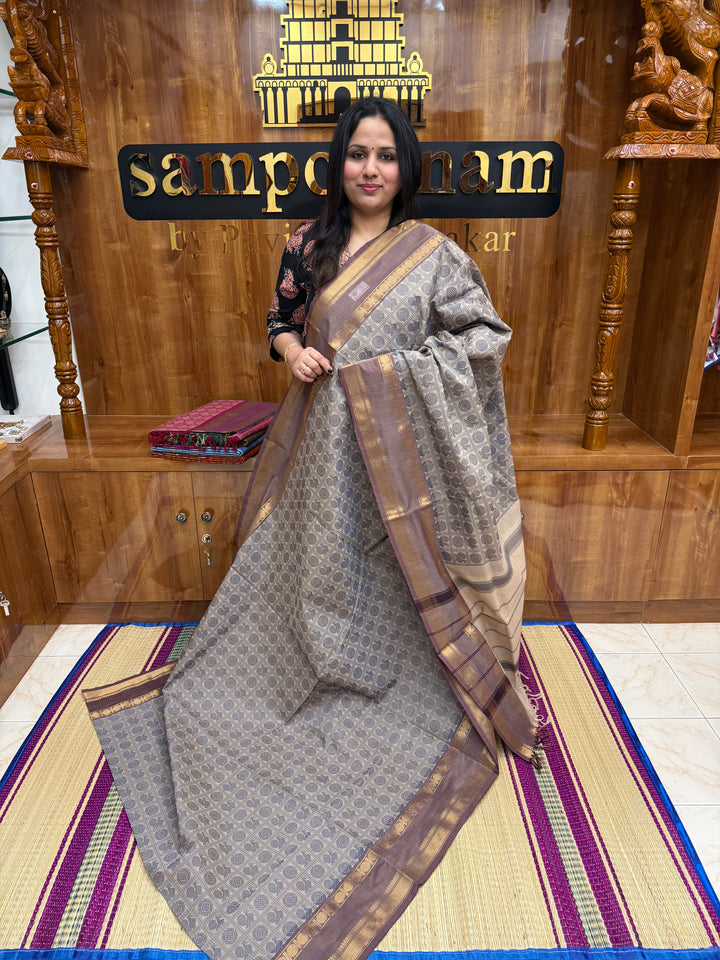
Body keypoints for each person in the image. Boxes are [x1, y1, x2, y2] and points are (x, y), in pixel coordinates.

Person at [85, 97, 538, 960]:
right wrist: (292, 355)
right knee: (307, 583)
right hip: (318, 457)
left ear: (406, 168)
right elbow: (279, 326)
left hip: (400, 471)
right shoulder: (306, 242)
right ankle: (304, 664)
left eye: (386, 156)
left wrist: (389, 375)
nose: (370, 169)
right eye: (357, 154)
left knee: (386, 583)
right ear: (340, 163)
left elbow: (483, 340)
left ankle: (405, 668)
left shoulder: (439, 260)